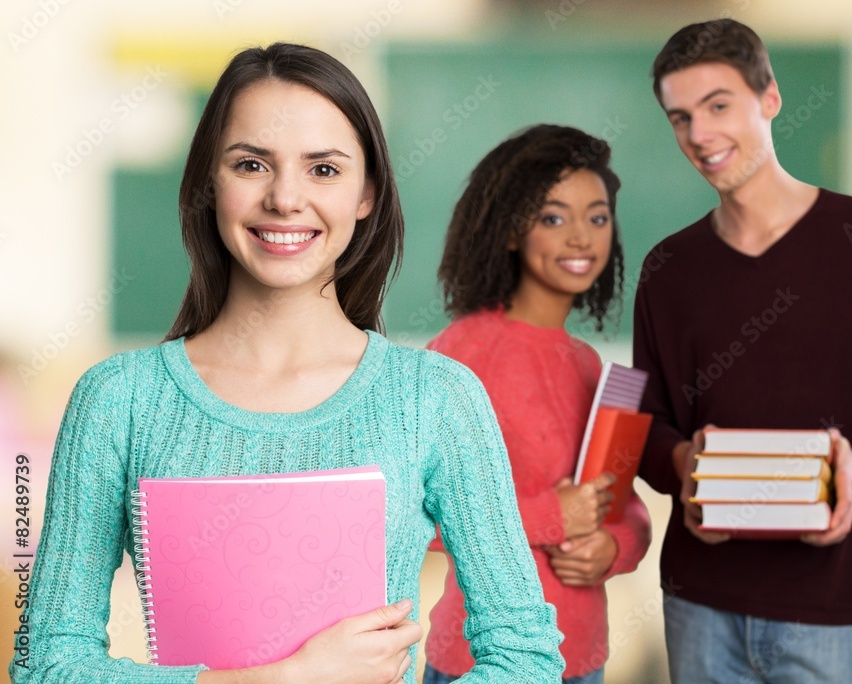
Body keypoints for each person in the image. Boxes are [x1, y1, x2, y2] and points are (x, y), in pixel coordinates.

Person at [11, 43, 564, 684]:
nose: (285, 198)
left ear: (367, 194)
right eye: (251, 164)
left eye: (324, 170)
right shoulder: (118, 400)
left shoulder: (434, 398)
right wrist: (288, 677)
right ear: (207, 184)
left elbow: (526, 660)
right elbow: (46, 667)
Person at [634, 19, 852, 683]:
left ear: (770, 99)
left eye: (718, 106)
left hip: (834, 612)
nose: (699, 135)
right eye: (680, 118)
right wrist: (680, 462)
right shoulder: (668, 269)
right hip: (699, 605)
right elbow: (641, 426)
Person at [423, 124, 652, 684]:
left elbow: (620, 500)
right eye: (553, 217)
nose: (581, 237)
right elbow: (416, 515)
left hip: (582, 660)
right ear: (509, 232)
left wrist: (615, 546)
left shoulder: (588, 365)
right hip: (484, 662)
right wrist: (553, 516)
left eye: (597, 217)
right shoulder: (461, 354)